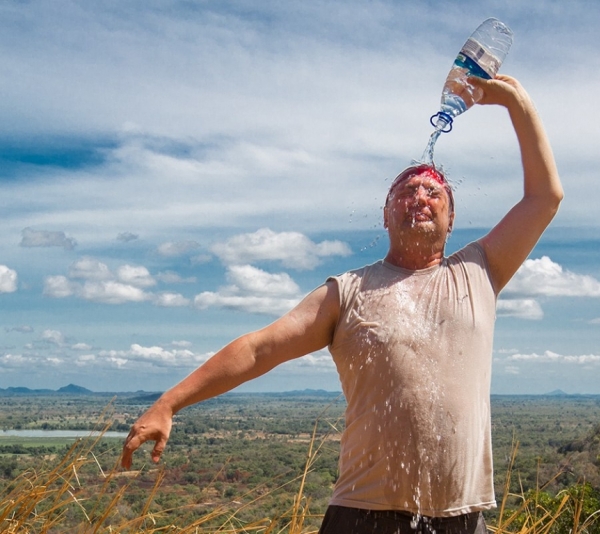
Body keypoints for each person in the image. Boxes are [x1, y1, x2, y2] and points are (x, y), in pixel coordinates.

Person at [121, 74, 563, 534]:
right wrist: (170, 403)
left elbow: (545, 197)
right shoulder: (348, 291)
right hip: (363, 516)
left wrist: (516, 103)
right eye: (406, 191)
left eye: (433, 192)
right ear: (386, 215)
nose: (419, 195)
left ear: (451, 220)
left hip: (462, 518)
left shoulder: (480, 270)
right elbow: (260, 348)